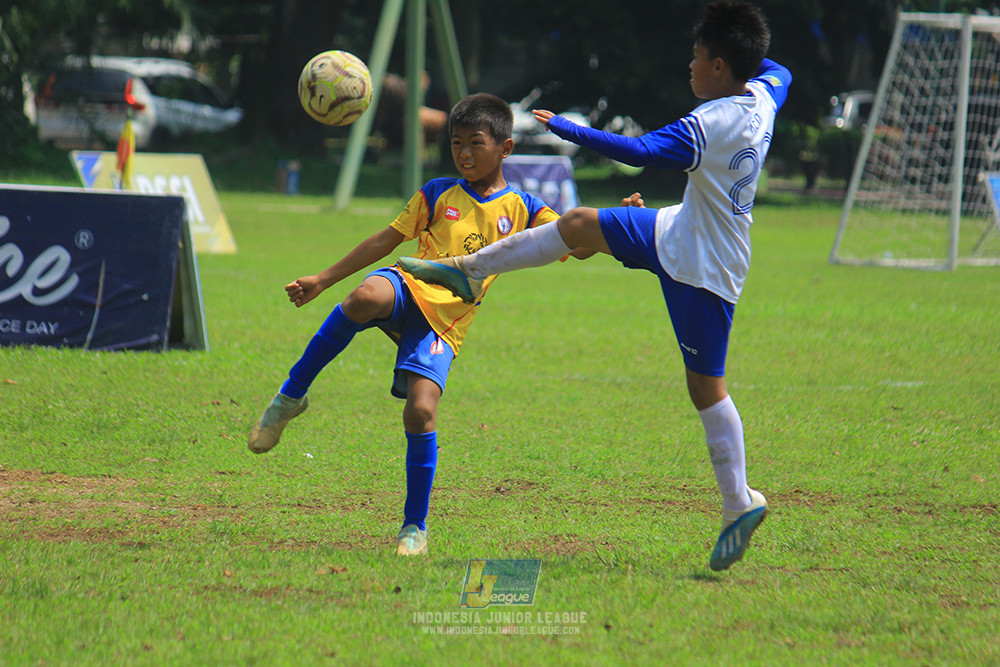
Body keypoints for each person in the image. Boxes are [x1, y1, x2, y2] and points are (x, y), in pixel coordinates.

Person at [398, 1, 792, 571]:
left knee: (706, 388)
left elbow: (639, 153)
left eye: (698, 56)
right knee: (580, 223)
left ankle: (738, 503)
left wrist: (565, 127)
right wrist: (745, 45)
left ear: (721, 65)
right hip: (675, 228)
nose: (690, 64)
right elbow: (780, 69)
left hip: (705, 266)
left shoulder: (712, 123)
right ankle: (471, 268)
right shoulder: (763, 91)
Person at [248, 93, 573, 556]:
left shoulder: (525, 209)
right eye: (456, 143)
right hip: (407, 285)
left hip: (445, 321)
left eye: (475, 143)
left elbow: (574, 243)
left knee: (421, 411)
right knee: (365, 295)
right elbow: (385, 240)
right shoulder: (437, 192)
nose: (463, 153)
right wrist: (323, 279)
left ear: (505, 148)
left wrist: (624, 217)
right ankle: (288, 398)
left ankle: (413, 530)